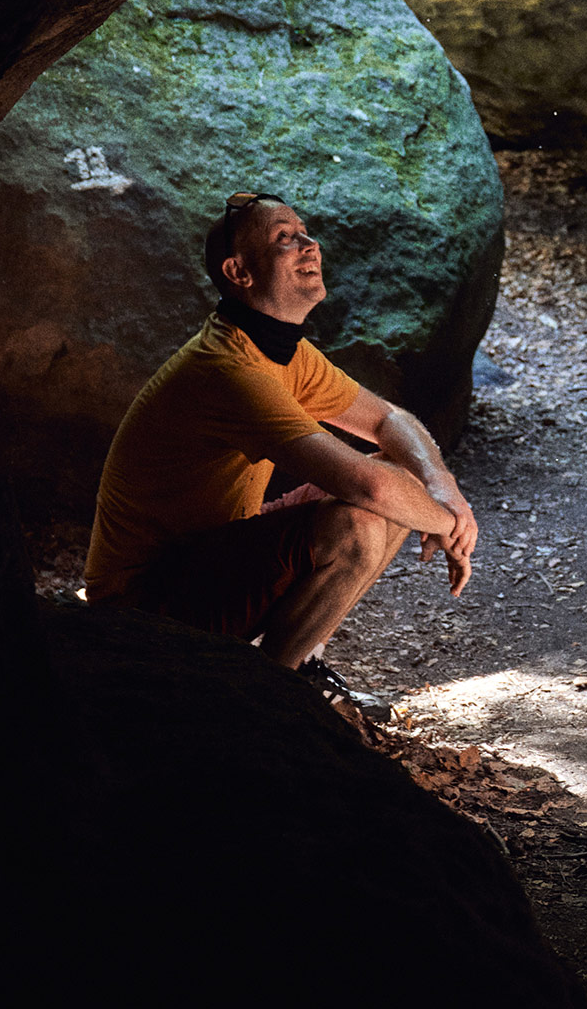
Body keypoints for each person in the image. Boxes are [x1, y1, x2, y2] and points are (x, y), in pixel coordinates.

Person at [83, 193, 479, 669]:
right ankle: (270, 697)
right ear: (238, 272)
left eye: (305, 233)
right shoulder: (228, 369)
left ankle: (297, 668)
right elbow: (365, 486)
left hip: (206, 558)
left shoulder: (280, 350)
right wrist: (450, 524)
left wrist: (443, 488)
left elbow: (387, 420)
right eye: (284, 239)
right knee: (360, 518)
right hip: (143, 606)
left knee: (402, 474)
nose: (309, 246)